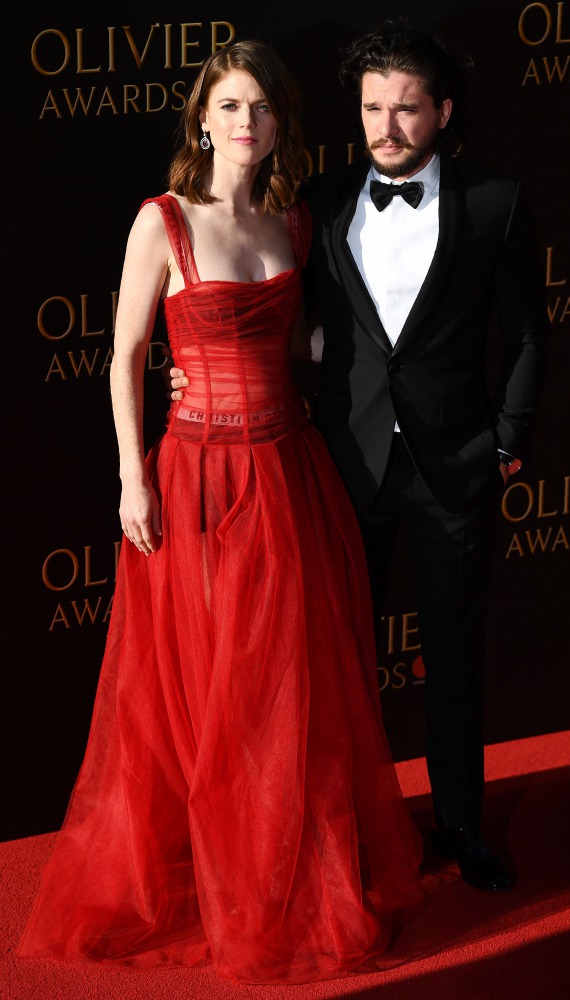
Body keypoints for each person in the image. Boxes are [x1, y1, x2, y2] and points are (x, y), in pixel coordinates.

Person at [18, 40, 424, 985]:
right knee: (209, 689)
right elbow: (125, 357)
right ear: (203, 118)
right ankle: (220, 872)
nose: (248, 121)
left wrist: (351, 339)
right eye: (232, 105)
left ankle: (282, 871)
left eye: (263, 107)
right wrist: (133, 478)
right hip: (196, 479)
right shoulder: (161, 221)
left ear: (281, 124)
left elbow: (300, 340)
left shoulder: (294, 220)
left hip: (286, 472)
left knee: (285, 688)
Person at [168, 22, 548, 894]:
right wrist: (192, 371)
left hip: (456, 463)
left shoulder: (497, 201)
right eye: (374, 108)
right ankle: (349, 833)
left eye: (406, 109)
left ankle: (461, 826)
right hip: (343, 465)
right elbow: (275, 321)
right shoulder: (322, 202)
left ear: (442, 112)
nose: (387, 126)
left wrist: (510, 440)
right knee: (335, 667)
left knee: (455, 660)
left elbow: (529, 332)